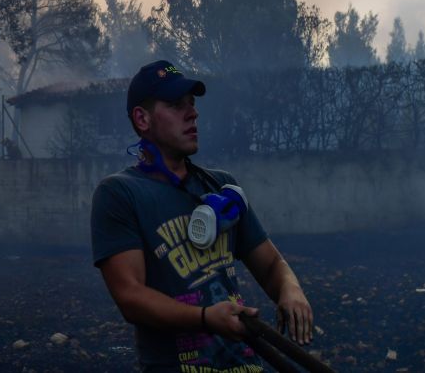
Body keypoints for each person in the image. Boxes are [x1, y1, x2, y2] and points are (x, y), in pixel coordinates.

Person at [91, 60, 313, 372]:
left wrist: (290, 290)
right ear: (142, 118)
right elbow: (130, 296)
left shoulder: (223, 187)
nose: (192, 113)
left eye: (192, 104)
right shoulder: (119, 194)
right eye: (175, 104)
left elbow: (272, 263)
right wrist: (206, 318)